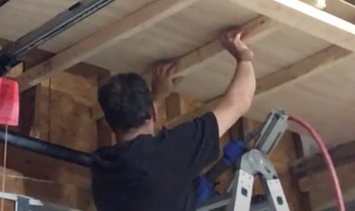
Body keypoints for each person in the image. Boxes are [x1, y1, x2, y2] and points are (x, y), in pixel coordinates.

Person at [90, 28, 257, 211]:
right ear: (153, 112)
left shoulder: (104, 167)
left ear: (109, 123)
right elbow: (239, 103)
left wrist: (157, 99)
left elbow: (145, 155)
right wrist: (244, 57)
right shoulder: (167, 153)